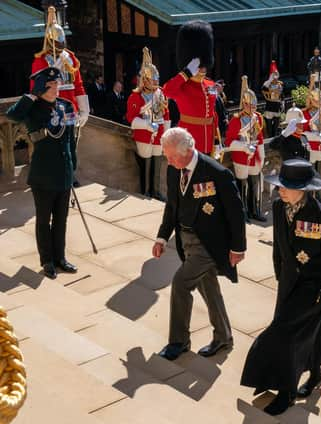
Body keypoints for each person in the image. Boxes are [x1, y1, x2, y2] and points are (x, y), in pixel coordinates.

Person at [241, 159, 321, 416]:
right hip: (289, 283)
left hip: (314, 287)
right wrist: (280, 274)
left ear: (304, 189)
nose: (280, 190)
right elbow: (279, 246)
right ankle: (315, 374)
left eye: (286, 187)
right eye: (280, 185)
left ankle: (286, 393)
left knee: (284, 336)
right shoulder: (279, 208)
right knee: (309, 330)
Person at [152, 127, 246, 361]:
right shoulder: (175, 170)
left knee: (181, 284)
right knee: (209, 289)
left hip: (209, 244)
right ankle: (223, 337)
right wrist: (162, 237)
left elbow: (236, 213)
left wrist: (238, 247)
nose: (168, 160)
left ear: (188, 150)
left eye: (171, 156)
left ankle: (178, 341)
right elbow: (172, 207)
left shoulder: (216, 173)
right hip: (186, 241)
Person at [7, 67, 78, 280]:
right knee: (43, 220)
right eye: (50, 85)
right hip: (43, 173)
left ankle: (60, 258)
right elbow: (13, 116)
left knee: (61, 219)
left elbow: (71, 139)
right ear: (40, 88)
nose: (56, 88)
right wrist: (30, 95)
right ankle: (47, 261)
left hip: (63, 172)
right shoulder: (33, 108)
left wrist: (73, 167)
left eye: (57, 84)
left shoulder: (66, 106)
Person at [32, 6, 89, 188]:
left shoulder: (70, 58)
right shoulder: (40, 61)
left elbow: (78, 85)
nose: (61, 46)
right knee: (52, 145)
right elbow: (36, 89)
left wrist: (84, 108)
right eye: (58, 43)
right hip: (50, 109)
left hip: (70, 108)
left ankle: (70, 174)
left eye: (62, 41)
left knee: (71, 144)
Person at [163, 20, 218, 156]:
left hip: (208, 140)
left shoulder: (210, 84)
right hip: (189, 140)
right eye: (199, 65)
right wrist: (186, 73)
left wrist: (216, 140)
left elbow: (213, 115)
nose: (202, 68)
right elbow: (167, 91)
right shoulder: (183, 86)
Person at [126, 47, 170, 200]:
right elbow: (131, 119)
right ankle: (145, 191)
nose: (156, 82)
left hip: (159, 134)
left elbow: (166, 114)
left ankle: (156, 191)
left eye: (157, 80)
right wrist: (146, 125)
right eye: (153, 80)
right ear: (145, 80)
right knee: (146, 162)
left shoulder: (160, 93)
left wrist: (167, 134)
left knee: (157, 161)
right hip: (144, 134)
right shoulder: (135, 97)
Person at [224, 76, 266, 222]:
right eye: (250, 105)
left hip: (254, 154)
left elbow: (259, 137)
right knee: (242, 184)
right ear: (244, 104)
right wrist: (243, 147)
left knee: (254, 183)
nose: (253, 108)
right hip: (241, 156)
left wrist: (261, 153)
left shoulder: (258, 118)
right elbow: (229, 142)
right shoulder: (236, 119)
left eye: (254, 106)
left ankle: (255, 210)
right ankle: (243, 212)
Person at [302, 77, 321, 177]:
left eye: (320, 100)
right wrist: (311, 83)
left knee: (319, 175)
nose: (318, 102)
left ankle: (317, 192)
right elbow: (303, 130)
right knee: (308, 174)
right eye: (315, 100)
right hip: (309, 145)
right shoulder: (304, 112)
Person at [261, 60, 284, 138]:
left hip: (277, 107)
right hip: (269, 107)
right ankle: (270, 137)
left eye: (276, 77)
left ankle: (274, 137)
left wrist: (282, 104)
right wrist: (269, 81)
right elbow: (263, 89)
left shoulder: (280, 85)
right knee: (269, 125)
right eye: (273, 77)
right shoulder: (267, 85)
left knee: (276, 124)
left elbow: (282, 95)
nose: (275, 79)